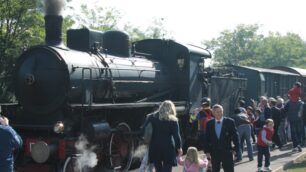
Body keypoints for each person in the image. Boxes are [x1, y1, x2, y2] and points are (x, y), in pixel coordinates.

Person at [204, 104, 240, 172]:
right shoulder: (209, 124)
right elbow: (206, 139)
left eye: (221, 111)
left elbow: (235, 136)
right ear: (213, 113)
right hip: (214, 153)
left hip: (227, 152)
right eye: (217, 112)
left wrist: (236, 149)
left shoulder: (230, 121)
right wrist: (207, 151)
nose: (219, 113)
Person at [149, 100, 182, 172]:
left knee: (158, 169)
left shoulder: (151, 117)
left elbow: (144, 130)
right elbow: (176, 136)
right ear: (171, 108)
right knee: (167, 168)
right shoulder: (173, 120)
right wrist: (179, 148)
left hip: (155, 147)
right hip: (168, 147)